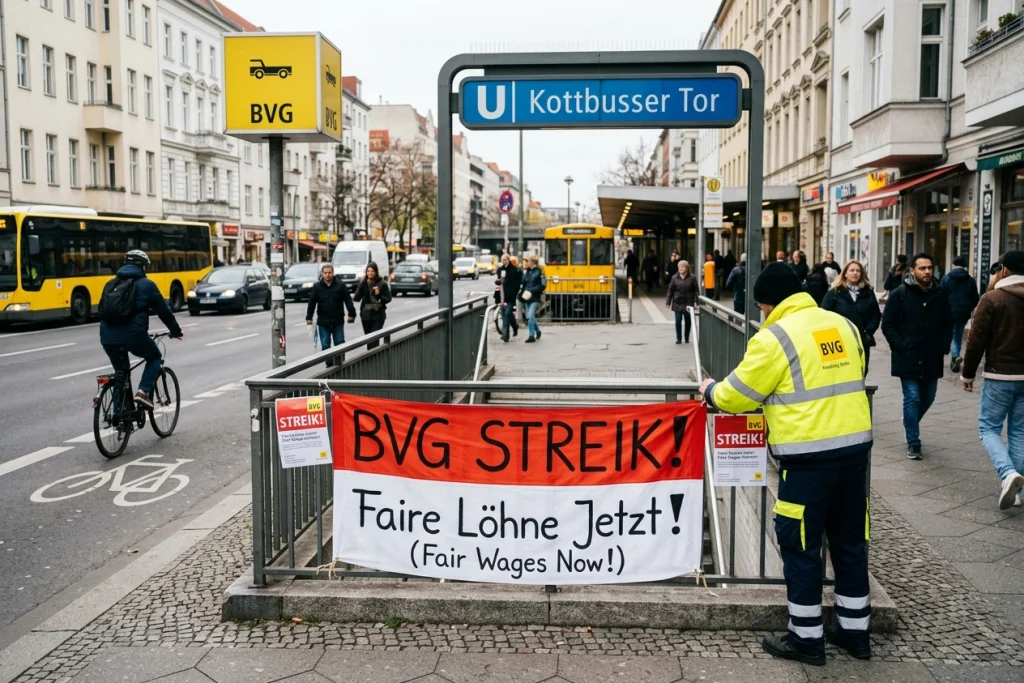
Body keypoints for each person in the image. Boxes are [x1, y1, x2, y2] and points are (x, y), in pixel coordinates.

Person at [699, 262, 872, 666]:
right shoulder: (842, 324)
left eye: (761, 306)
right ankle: (855, 632)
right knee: (849, 543)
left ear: (766, 303)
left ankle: (806, 639)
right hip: (855, 453)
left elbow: (738, 395)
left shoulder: (775, 336)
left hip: (808, 460)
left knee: (801, 548)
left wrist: (710, 390)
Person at [960, 250, 1024, 510]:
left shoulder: (991, 298)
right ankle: (1017, 492)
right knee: (1019, 430)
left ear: (1005, 270)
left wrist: (967, 373)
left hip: (999, 374)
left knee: (988, 428)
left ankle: (1008, 473)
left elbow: (976, 341)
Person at [881, 253, 954, 460]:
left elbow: (948, 322)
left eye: (930, 267)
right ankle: (914, 442)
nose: (927, 272)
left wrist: (944, 346)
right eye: (922, 268)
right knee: (912, 397)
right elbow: (887, 324)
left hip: (932, 356)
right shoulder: (900, 294)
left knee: (928, 397)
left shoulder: (940, 293)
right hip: (908, 356)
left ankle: (909, 421)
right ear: (912, 271)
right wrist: (901, 346)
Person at [99, 250, 183, 409]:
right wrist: (176, 331)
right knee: (155, 357)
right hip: (134, 336)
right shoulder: (147, 285)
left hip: (107, 336)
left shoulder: (110, 284)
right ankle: (143, 392)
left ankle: (120, 415)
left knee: (120, 373)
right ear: (143, 267)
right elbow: (164, 311)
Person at [821, 260, 881, 374]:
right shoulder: (835, 292)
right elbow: (823, 315)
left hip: (861, 340)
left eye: (858, 271)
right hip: (840, 342)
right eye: (852, 270)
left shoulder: (868, 293)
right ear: (845, 273)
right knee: (842, 373)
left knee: (861, 371)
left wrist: (868, 333)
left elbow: (875, 315)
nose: (855, 273)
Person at [305, 264, 356, 368]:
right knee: (325, 345)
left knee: (339, 343)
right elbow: (312, 302)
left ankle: (340, 365)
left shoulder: (340, 285)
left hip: (337, 321)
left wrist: (351, 314)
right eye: (325, 273)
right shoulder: (317, 286)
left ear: (333, 273)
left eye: (329, 273)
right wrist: (309, 317)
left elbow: (348, 300)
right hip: (323, 322)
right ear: (322, 274)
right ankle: (329, 367)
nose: (327, 275)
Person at [941, 256, 981, 373]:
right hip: (963, 313)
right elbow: (975, 298)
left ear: (953, 264)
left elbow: (940, 295)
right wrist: (968, 308)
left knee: (947, 334)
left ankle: (951, 354)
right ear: (964, 266)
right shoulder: (970, 280)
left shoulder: (946, 278)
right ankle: (955, 356)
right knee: (957, 335)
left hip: (948, 312)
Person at [353, 261, 392, 349]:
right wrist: (361, 285)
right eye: (368, 271)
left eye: (372, 271)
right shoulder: (363, 283)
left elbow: (388, 298)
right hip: (365, 315)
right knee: (368, 339)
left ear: (376, 272)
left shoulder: (382, 283)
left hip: (378, 315)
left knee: (374, 338)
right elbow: (356, 298)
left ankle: (375, 358)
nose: (370, 273)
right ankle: (371, 359)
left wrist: (379, 295)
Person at [666, 260, 698, 344]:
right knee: (678, 321)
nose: (680, 268)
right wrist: (668, 302)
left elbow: (696, 291)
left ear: (687, 268)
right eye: (679, 267)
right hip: (677, 303)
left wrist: (696, 301)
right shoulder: (674, 278)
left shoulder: (692, 278)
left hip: (688, 303)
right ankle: (679, 338)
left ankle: (686, 337)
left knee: (688, 321)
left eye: (682, 267)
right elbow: (670, 290)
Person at [519, 254, 546, 343]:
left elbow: (543, 285)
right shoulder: (527, 271)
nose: (527, 263)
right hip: (527, 297)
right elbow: (523, 282)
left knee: (530, 316)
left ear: (533, 262)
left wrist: (531, 290)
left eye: (528, 261)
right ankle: (537, 331)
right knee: (529, 317)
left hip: (535, 297)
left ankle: (531, 336)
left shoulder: (540, 271)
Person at [499, 254, 522, 342]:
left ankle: (513, 328)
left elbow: (518, 282)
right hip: (502, 295)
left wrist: (515, 291)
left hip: (511, 295)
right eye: (502, 260)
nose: (503, 261)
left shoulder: (515, 270)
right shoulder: (500, 269)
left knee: (508, 313)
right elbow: (498, 281)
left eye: (505, 259)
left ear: (508, 260)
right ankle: (506, 334)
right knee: (505, 314)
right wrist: (498, 281)